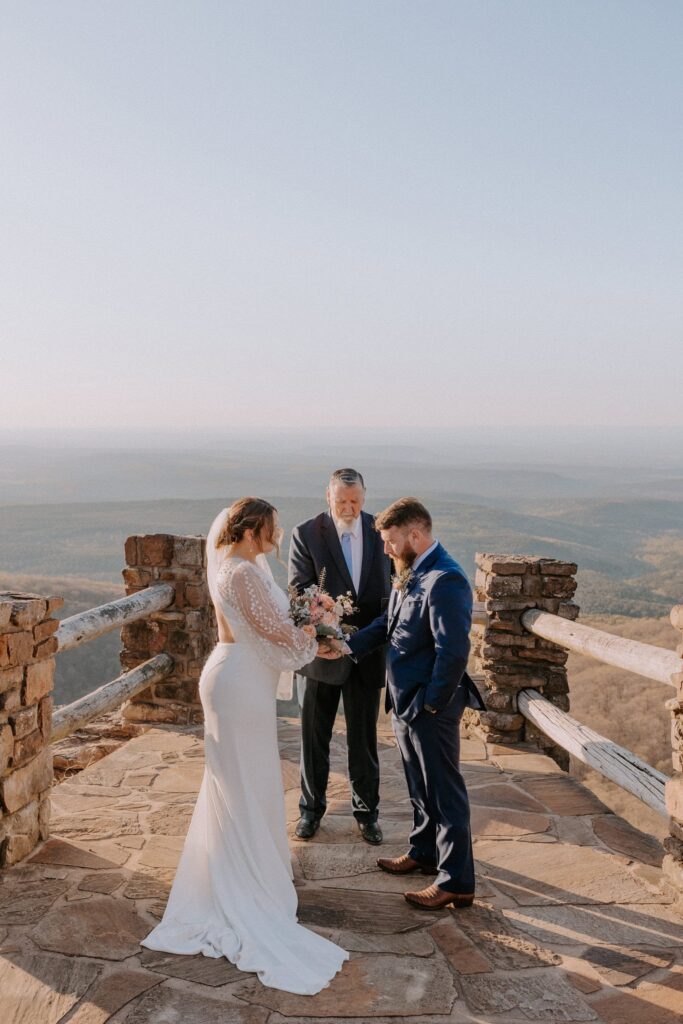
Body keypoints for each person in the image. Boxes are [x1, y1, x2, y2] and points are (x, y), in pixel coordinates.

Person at [141, 498, 348, 994]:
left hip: (245, 682)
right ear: (253, 530)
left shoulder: (246, 566)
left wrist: (313, 624)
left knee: (245, 784)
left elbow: (276, 627)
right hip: (236, 683)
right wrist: (317, 637)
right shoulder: (239, 574)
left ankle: (239, 875)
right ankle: (241, 889)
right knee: (242, 785)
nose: (278, 537)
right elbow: (274, 632)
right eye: (272, 529)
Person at [345, 497, 486, 910]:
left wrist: (432, 704)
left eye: (390, 542)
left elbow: (454, 652)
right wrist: (344, 645)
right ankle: (425, 852)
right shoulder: (408, 572)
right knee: (419, 787)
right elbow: (386, 625)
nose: (385, 550)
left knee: (445, 794)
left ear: (415, 535)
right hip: (405, 702)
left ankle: (455, 881)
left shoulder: (446, 580)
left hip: (430, 706)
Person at [288, 468, 391, 844]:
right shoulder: (306, 533)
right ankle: (310, 811)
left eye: (355, 501)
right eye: (341, 501)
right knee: (314, 738)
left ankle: (367, 814)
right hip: (320, 655)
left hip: (368, 652)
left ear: (364, 497)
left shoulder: (383, 530)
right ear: (327, 497)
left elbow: (396, 588)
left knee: (364, 740)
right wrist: (325, 637)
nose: (348, 507)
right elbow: (300, 591)